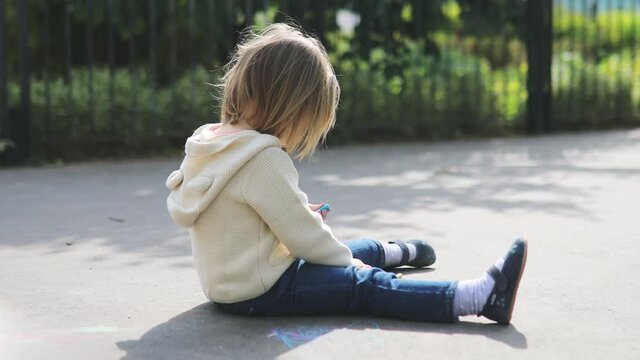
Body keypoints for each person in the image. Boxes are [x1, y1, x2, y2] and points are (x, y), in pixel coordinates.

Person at [165, 23, 527, 324]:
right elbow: (305, 238)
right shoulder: (261, 157)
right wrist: (346, 264)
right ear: (290, 109)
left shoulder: (210, 142)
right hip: (262, 290)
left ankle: (396, 251)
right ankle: (478, 298)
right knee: (361, 283)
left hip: (229, 282)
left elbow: (246, 213)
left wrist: (309, 224)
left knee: (346, 249)